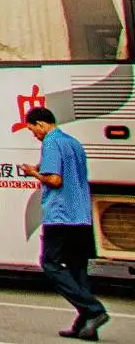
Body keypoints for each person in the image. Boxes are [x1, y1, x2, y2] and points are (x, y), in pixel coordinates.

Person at [21, 106, 107, 340]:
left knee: (50, 263)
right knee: (78, 268)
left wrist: (33, 173)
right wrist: (40, 168)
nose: (34, 135)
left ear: (41, 124)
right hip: (81, 214)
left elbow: (55, 180)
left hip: (60, 214)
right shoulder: (73, 143)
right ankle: (86, 325)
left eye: (32, 129)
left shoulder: (51, 142)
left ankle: (94, 310)